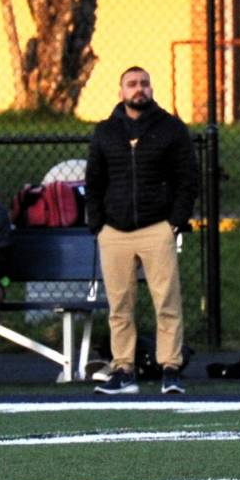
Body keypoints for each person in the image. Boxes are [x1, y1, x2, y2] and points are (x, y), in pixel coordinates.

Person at [85, 66, 198, 396]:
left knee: (167, 300)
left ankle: (171, 368)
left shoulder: (171, 129)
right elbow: (94, 182)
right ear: (120, 91)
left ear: (152, 89)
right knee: (120, 305)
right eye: (132, 84)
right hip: (114, 232)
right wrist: (99, 225)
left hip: (156, 228)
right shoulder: (106, 131)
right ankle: (123, 369)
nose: (139, 89)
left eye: (144, 84)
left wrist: (173, 221)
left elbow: (187, 179)